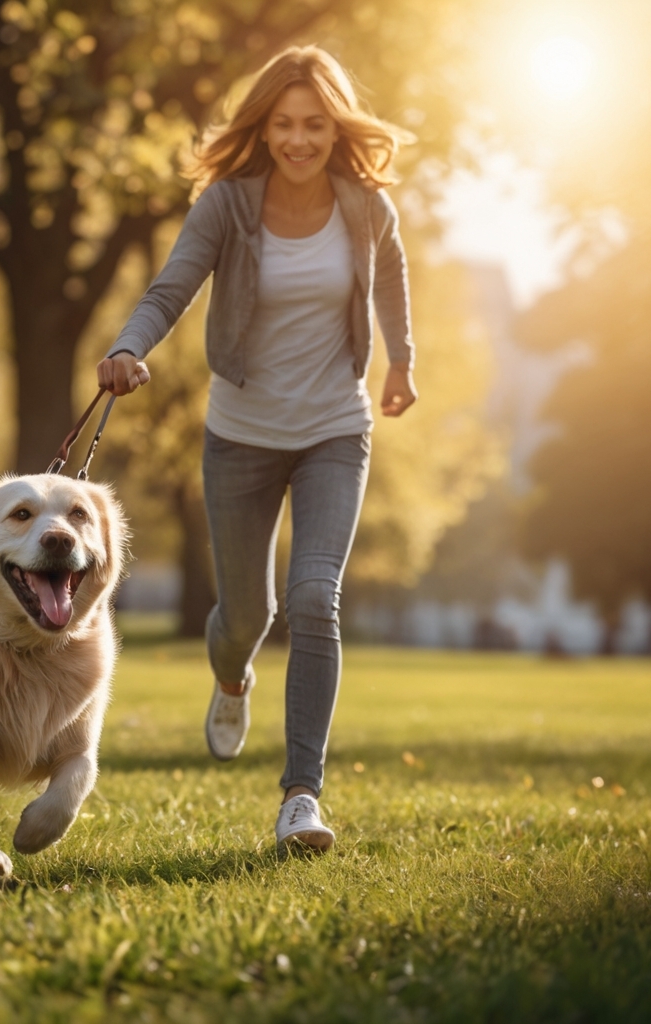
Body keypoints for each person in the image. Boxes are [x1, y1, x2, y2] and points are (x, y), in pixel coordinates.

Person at [97, 45, 417, 852]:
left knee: (314, 598)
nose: (301, 140)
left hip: (334, 432)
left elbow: (391, 276)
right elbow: (172, 286)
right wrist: (131, 348)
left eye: (316, 124)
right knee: (248, 615)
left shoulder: (366, 206)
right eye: (285, 124)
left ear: (335, 126)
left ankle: (300, 797)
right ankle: (230, 675)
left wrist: (403, 359)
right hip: (240, 436)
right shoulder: (227, 206)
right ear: (263, 127)